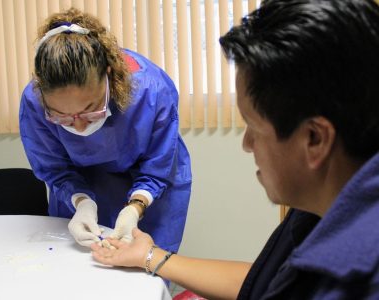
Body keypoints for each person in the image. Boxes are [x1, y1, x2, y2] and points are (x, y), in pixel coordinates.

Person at [90, 0, 379, 299]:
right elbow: (269, 281)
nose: (247, 145)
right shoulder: (330, 201)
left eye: (253, 127)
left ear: (315, 139)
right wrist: (149, 256)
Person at [19, 7, 192, 254]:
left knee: (143, 271)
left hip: (148, 183)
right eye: (63, 117)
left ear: (108, 76)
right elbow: (54, 167)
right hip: (80, 182)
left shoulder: (150, 90)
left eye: (90, 110)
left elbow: (158, 164)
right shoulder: (34, 102)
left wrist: (135, 207)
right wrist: (82, 203)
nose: (78, 125)